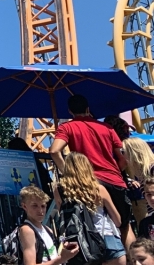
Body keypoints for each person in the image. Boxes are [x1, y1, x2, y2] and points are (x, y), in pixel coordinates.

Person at [51, 95, 132, 249]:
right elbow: (123, 159)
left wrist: (70, 174)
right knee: (124, 226)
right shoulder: (107, 128)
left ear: (70, 111)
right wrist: (115, 172)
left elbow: (54, 151)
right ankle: (134, 260)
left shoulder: (67, 127)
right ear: (88, 109)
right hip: (115, 181)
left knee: (92, 226)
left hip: (89, 182)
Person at [54, 153, 126, 265]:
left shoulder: (59, 191)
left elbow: (64, 217)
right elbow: (117, 221)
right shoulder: (98, 189)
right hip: (107, 239)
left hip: (82, 245)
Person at [16, 184, 79, 265]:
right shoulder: (27, 230)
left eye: (43, 206)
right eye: (34, 206)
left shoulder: (48, 230)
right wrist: (61, 258)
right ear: (24, 206)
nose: (40, 210)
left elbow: (52, 257)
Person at [122, 136, 154, 225]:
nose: (122, 155)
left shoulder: (151, 169)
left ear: (133, 152)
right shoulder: (141, 172)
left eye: (123, 152)